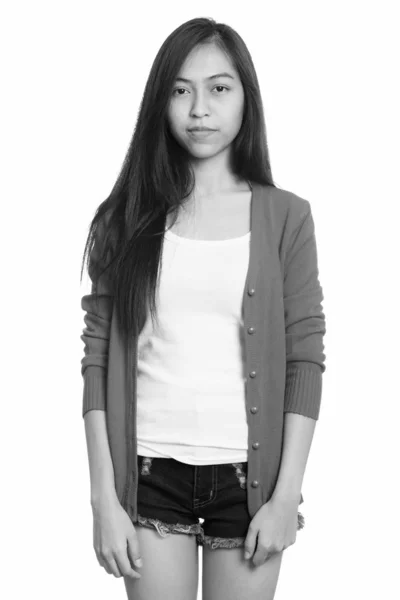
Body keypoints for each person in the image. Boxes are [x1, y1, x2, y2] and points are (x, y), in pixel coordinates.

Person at [80, 16, 327, 600]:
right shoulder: (126, 218)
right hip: (147, 477)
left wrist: (287, 491)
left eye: (219, 88)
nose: (199, 109)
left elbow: (305, 359)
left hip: (250, 485)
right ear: (160, 102)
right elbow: (96, 362)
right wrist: (103, 500)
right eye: (180, 90)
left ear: (246, 98)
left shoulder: (286, 217)